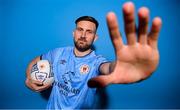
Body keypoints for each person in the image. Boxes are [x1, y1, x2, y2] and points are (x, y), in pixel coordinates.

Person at [25, 2, 162, 109]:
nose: (83, 35)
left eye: (89, 32)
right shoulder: (58, 53)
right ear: (74, 33)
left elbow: (107, 68)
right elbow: (34, 61)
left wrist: (121, 66)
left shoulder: (97, 62)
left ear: (95, 38)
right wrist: (28, 79)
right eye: (80, 30)